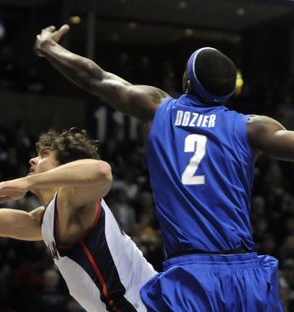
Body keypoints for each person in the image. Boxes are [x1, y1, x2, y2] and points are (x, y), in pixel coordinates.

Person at [31, 24, 286, 311]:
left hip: (193, 276)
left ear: (187, 82)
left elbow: (95, 78)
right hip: (247, 274)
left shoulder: (159, 107)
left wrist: (49, 47)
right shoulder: (252, 127)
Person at [0, 128, 156, 312]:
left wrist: (26, 182)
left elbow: (102, 171)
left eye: (44, 155)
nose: (33, 159)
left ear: (65, 167)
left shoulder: (75, 198)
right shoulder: (45, 219)